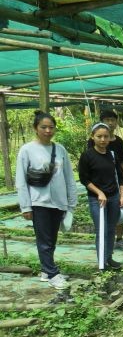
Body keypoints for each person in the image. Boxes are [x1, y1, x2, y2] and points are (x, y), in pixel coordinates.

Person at [16, 111, 78, 290]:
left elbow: (69, 177)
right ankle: (52, 274)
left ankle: (46, 270)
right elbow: (21, 180)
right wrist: (26, 206)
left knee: (52, 238)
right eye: (43, 127)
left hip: (58, 201)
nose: (48, 131)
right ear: (35, 128)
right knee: (44, 240)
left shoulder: (60, 149)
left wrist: (71, 202)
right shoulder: (27, 150)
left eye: (51, 127)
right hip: (39, 202)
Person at [78, 122, 123, 271]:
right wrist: (99, 192)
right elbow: (84, 179)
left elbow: (120, 177)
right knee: (101, 230)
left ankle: (108, 257)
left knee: (111, 229)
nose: (103, 139)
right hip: (97, 199)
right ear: (92, 137)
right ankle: (102, 263)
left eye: (106, 136)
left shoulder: (112, 155)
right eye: (99, 136)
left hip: (113, 197)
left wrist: (122, 195)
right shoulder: (87, 156)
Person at [86, 110, 123, 252]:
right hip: (99, 186)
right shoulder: (91, 144)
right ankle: (104, 247)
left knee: (120, 213)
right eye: (107, 120)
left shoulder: (118, 142)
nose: (110, 123)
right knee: (102, 219)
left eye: (113, 120)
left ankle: (119, 240)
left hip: (116, 184)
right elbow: (90, 166)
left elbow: (122, 164)